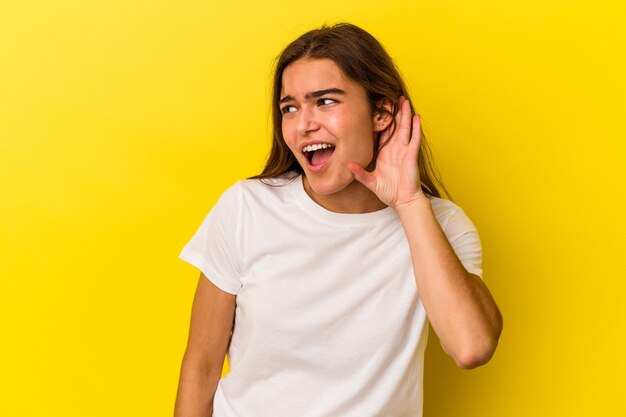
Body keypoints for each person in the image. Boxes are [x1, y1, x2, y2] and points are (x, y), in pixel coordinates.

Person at [174, 23, 502, 417]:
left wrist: (409, 201)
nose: (303, 124)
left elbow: (471, 346)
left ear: (381, 113)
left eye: (325, 102)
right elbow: (202, 366)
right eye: (289, 108)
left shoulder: (442, 226)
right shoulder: (247, 208)